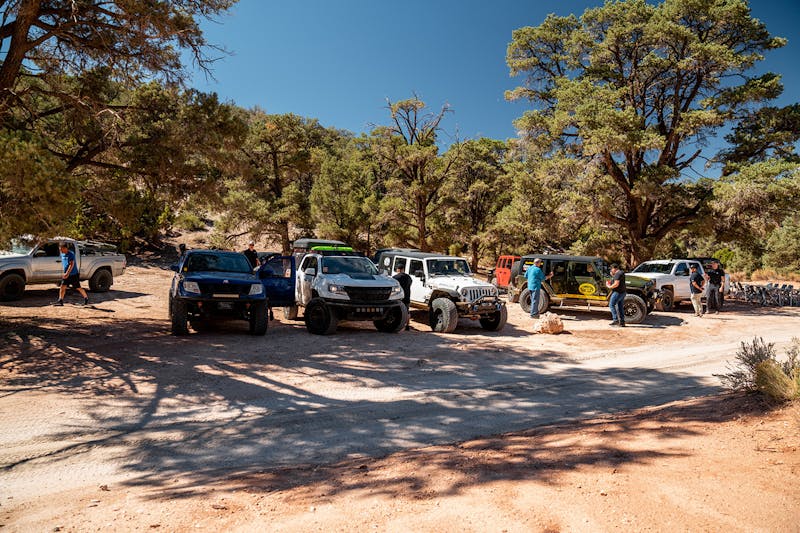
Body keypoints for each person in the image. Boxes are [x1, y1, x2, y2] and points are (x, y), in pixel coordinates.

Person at [393, 264, 413, 331]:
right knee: (407, 311)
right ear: (403, 269)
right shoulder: (408, 277)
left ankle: (397, 324)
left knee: (397, 311)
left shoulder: (395, 277)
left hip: (398, 296)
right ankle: (407, 326)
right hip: (407, 296)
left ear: (398, 269)